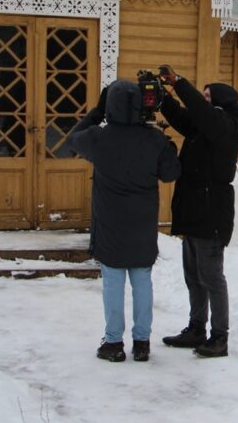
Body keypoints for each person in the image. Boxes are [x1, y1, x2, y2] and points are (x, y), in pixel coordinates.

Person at [66, 79, 180, 362]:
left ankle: (113, 342)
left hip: (110, 223)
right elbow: (170, 173)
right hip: (142, 223)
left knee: (113, 283)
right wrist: (168, 148)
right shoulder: (153, 139)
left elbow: (72, 139)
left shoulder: (99, 137)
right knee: (142, 281)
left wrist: (97, 111)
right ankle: (142, 342)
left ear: (112, 106)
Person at [157, 65, 238, 358]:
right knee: (193, 275)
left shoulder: (227, 126)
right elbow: (183, 116)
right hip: (194, 208)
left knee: (211, 277)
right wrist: (162, 96)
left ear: (220, 102)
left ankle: (219, 337)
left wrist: (180, 84)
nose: (204, 100)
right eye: (204, 95)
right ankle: (196, 328)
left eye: (209, 96)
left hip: (212, 211)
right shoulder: (204, 124)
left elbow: (200, 110)